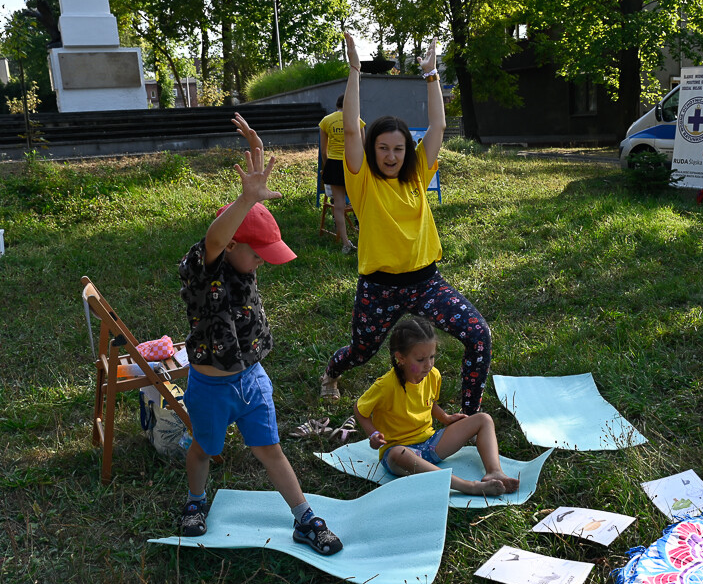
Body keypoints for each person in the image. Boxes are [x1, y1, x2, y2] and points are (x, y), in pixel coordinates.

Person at [177, 113, 342, 555]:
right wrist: (243, 201)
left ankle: (304, 518)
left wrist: (257, 155)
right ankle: (196, 502)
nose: (264, 261)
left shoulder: (242, 260)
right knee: (204, 449)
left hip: (251, 379)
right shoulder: (206, 269)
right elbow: (216, 236)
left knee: (270, 449)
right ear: (231, 246)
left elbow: (243, 218)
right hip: (211, 386)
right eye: (259, 253)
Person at [319, 32, 492, 416]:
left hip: (426, 282)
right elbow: (350, 130)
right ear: (371, 149)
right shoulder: (361, 181)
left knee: (478, 335)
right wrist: (354, 71)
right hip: (380, 288)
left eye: (398, 148)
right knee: (362, 352)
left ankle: (468, 415)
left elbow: (438, 127)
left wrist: (431, 75)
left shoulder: (416, 175)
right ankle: (331, 372)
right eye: (383, 147)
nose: (391, 155)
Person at [354, 316, 518, 497]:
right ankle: (467, 486)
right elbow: (360, 410)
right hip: (400, 452)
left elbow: (428, 402)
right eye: (420, 359)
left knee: (483, 419)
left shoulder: (433, 375)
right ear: (400, 358)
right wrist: (374, 434)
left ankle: (495, 471)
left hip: (431, 444)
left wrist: (445, 418)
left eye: (432, 356)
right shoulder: (385, 386)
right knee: (397, 454)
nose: (429, 364)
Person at [319, 94, 364, 254]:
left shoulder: (326, 121)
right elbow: (363, 146)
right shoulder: (357, 121)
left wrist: (327, 165)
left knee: (338, 205)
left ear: (336, 104)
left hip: (334, 163)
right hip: (352, 163)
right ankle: (366, 239)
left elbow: (323, 150)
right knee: (360, 203)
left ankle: (346, 243)